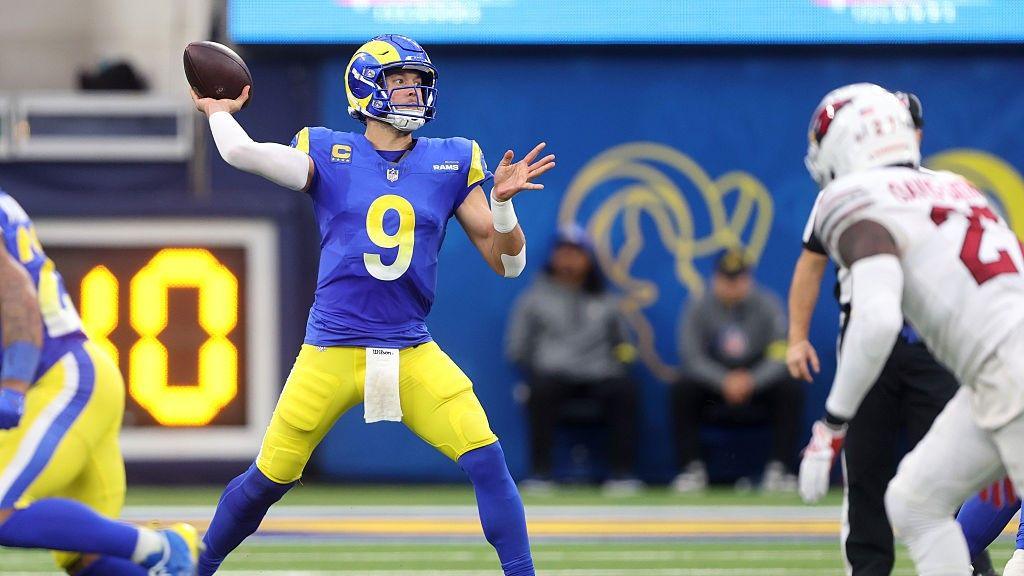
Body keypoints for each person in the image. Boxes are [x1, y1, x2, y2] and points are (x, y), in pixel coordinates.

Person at [190, 35, 553, 576]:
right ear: (365, 87)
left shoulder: (452, 161)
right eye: (398, 81)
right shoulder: (328, 151)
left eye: (417, 82)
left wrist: (501, 207)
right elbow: (242, 152)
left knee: (487, 461)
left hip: (410, 348)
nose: (412, 92)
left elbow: (508, 265)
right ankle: (194, 567)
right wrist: (219, 112)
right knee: (267, 481)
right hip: (330, 349)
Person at [796, 87, 1024, 575]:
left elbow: (876, 320)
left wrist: (830, 427)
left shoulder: (852, 198)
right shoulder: (957, 187)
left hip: (1010, 374)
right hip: (994, 376)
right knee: (914, 501)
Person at [0, 188, 198, 575]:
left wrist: (12, 385)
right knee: (88, 559)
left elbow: (16, 293)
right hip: (78, 378)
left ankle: (161, 546)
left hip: (59, 380)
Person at [506, 225, 640, 493]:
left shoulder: (606, 300)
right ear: (553, 257)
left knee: (625, 390)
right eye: (563, 252)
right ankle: (541, 474)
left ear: (588, 258)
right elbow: (516, 347)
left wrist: (620, 363)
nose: (569, 260)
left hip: (600, 375)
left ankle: (622, 474)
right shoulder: (534, 299)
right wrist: (536, 366)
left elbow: (625, 345)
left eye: (576, 253)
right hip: (554, 375)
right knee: (540, 390)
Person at [672, 248, 802, 492]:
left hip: (756, 384)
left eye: (738, 278)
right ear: (715, 278)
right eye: (726, 278)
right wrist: (723, 380)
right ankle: (691, 469)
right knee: (683, 389)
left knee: (789, 388)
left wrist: (752, 380)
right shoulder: (698, 306)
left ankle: (780, 469)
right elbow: (691, 356)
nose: (732, 285)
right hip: (713, 386)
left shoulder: (768, 305)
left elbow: (779, 353)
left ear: (748, 278)